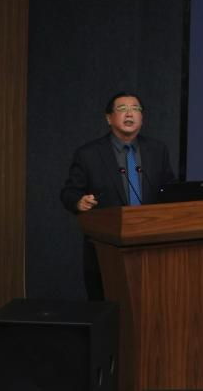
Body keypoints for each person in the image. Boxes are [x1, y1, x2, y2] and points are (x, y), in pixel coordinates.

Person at [60, 91, 175, 300]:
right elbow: (69, 192)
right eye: (122, 109)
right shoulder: (88, 154)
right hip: (107, 248)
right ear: (108, 118)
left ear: (142, 118)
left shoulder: (157, 150)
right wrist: (78, 201)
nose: (129, 113)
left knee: (151, 303)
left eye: (135, 109)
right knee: (108, 308)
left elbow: (170, 188)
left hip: (151, 245)